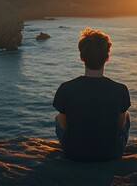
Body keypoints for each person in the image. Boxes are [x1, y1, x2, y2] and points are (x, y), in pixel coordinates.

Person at [53, 28, 131, 162]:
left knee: (57, 117)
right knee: (127, 115)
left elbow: (64, 125)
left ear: (82, 57)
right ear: (107, 58)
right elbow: (120, 125)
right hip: (110, 154)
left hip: (74, 153)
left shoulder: (66, 88)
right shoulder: (120, 90)